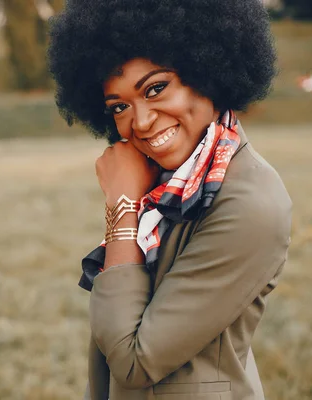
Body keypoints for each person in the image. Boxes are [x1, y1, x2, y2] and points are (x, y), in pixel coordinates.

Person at [47, 1, 292, 399]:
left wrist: (121, 206)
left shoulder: (249, 203)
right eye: (119, 107)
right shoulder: (174, 181)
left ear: (208, 72)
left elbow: (134, 361)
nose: (140, 122)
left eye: (156, 88)